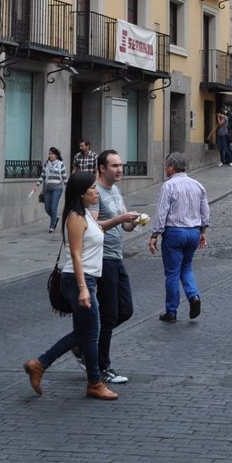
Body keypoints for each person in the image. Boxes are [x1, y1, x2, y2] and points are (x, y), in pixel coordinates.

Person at [23, 172, 118, 400]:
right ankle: (93, 382)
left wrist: (123, 220)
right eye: (92, 188)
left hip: (86, 279)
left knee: (85, 332)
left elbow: (94, 236)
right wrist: (84, 288)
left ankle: (42, 364)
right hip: (78, 280)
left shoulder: (86, 214)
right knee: (90, 332)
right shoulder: (75, 217)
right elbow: (75, 255)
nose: (97, 191)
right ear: (81, 194)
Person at [94, 150, 140, 386]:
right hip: (102, 259)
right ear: (102, 168)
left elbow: (126, 226)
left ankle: (87, 344)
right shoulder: (95, 192)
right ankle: (103, 366)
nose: (120, 169)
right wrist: (119, 220)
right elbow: (91, 226)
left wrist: (134, 221)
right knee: (109, 314)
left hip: (116, 256)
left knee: (126, 310)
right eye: (114, 166)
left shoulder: (116, 190)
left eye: (121, 165)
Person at [148, 152, 210, 322]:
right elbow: (205, 211)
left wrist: (155, 234)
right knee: (186, 267)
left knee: (172, 272)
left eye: (166, 165)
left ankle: (171, 311)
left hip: (175, 232)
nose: (165, 168)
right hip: (193, 232)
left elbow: (162, 212)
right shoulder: (197, 185)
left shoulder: (169, 186)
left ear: (172, 167)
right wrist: (202, 232)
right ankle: (193, 296)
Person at [36, 147, 67, 232]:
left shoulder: (61, 164)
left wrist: (68, 187)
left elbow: (64, 178)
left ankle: (52, 226)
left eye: (52, 154)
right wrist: (37, 185)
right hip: (47, 189)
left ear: (56, 155)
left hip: (57, 189)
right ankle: (55, 218)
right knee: (47, 208)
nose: (50, 155)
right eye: (49, 154)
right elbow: (42, 176)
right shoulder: (46, 164)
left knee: (53, 207)